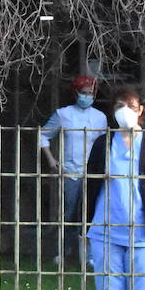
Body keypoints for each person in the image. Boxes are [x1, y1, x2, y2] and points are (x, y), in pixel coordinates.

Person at [80, 85, 145, 290]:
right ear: (113, 111)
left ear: (141, 110)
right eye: (119, 106)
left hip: (144, 233)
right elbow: (90, 186)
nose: (125, 111)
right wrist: (83, 225)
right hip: (106, 231)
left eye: (131, 106)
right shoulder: (103, 144)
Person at [39, 75, 107, 263]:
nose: (87, 96)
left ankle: (89, 256)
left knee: (91, 214)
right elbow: (43, 135)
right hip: (70, 171)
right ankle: (62, 251)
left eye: (90, 93)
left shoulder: (100, 117)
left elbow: (103, 143)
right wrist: (52, 160)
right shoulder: (63, 114)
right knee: (68, 214)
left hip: (92, 171)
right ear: (76, 93)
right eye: (84, 93)